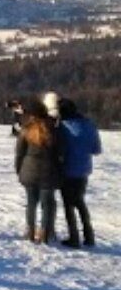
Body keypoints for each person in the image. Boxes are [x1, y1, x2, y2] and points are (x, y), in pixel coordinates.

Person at [15, 100, 65, 244]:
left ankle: (30, 231)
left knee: (31, 203)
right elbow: (61, 154)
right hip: (49, 173)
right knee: (47, 204)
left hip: (29, 171)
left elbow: (19, 154)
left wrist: (19, 170)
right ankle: (45, 232)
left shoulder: (25, 130)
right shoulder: (53, 131)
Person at [55, 97, 102, 248]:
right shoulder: (89, 125)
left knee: (69, 205)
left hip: (68, 170)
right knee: (80, 202)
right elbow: (96, 149)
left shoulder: (62, 127)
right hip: (84, 170)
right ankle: (89, 235)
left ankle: (74, 237)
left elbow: (59, 149)